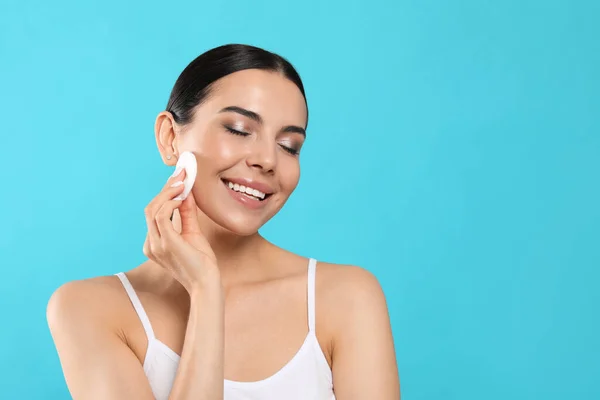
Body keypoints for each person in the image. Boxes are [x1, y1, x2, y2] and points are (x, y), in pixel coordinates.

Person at [47, 43, 400, 400]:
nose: (267, 160)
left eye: (289, 146)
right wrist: (205, 292)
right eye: (238, 129)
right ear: (170, 138)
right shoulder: (89, 308)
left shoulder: (346, 298)